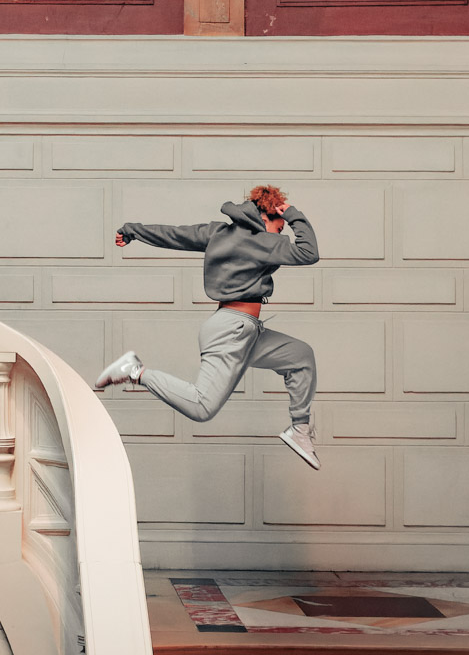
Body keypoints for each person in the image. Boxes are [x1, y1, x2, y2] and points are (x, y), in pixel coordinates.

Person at [95, 185, 321, 469]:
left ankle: (299, 430)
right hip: (233, 332)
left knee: (300, 356)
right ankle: (135, 372)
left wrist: (133, 230)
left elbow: (175, 235)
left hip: (244, 331)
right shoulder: (266, 241)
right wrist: (293, 214)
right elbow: (308, 252)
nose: (282, 232)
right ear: (265, 218)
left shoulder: (219, 233)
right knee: (202, 407)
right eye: (280, 227)